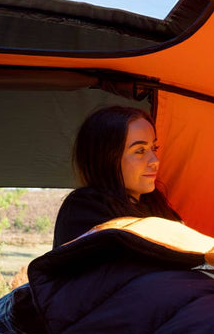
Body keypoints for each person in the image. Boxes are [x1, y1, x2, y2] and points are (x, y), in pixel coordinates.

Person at [53, 105, 181, 247]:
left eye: (153, 148)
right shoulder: (85, 210)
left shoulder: (157, 205)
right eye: (140, 151)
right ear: (106, 157)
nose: (155, 161)